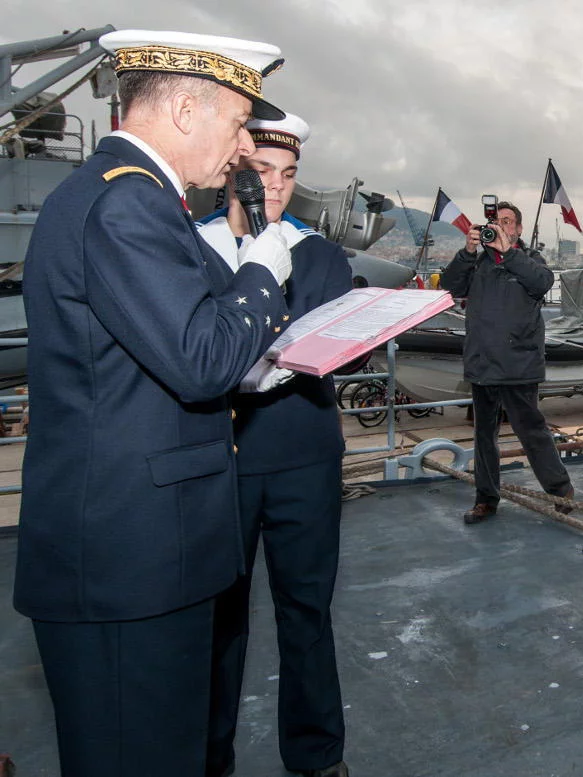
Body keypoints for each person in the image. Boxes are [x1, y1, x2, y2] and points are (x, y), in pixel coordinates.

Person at [13, 30, 293, 777]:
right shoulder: (127, 206)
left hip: (144, 549)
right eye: (238, 123)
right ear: (182, 110)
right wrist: (262, 273)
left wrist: (249, 374)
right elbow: (199, 358)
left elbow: (150, 356)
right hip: (127, 560)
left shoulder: (127, 199)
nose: (241, 149)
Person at [196, 114, 351, 777]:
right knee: (217, 622)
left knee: (307, 611)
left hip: (302, 456)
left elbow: (330, 342)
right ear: (234, 167)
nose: (278, 190)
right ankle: (208, 756)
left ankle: (316, 756)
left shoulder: (319, 253)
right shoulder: (186, 245)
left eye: (289, 175)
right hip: (216, 461)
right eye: (263, 172)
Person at [440, 201, 574, 524]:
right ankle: (486, 498)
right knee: (484, 436)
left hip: (518, 363)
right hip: (483, 363)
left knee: (531, 430)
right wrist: (467, 252)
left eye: (506, 221)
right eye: (495, 221)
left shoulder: (530, 260)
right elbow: (449, 286)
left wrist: (508, 253)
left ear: (517, 229)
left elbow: (542, 282)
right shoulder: (477, 264)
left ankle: (560, 491)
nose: (500, 226)